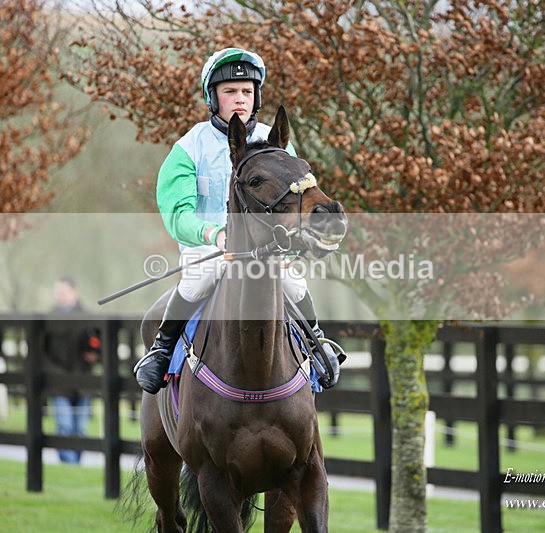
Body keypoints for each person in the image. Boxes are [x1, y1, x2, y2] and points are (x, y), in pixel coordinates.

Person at [134, 47, 344, 395]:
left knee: (294, 285)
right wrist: (214, 235)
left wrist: (297, 240)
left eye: (247, 91)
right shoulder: (188, 148)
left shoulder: (277, 146)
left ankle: (316, 343)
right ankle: (161, 350)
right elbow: (177, 215)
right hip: (209, 250)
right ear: (213, 97)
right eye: (230, 91)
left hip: (266, 251)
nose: (240, 99)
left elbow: (294, 202)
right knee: (198, 281)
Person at [45, 276, 101, 464]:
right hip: (58, 383)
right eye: (57, 292)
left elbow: (102, 347)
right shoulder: (48, 318)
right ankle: (68, 463)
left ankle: (75, 464)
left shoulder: (89, 318)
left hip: (84, 383)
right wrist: (54, 375)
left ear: (74, 292)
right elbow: (41, 352)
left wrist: (95, 355)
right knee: (64, 425)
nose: (59, 296)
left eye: (63, 292)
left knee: (81, 428)